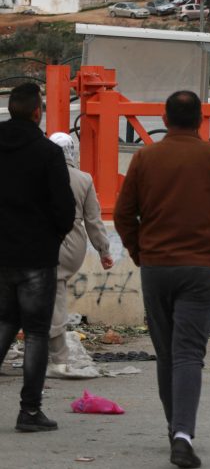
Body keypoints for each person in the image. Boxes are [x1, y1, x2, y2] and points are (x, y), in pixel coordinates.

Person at [114, 90, 210, 469]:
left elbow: (123, 214)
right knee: (188, 354)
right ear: (200, 120)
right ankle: (182, 435)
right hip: (201, 269)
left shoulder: (145, 157)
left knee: (167, 353)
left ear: (165, 119)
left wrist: (140, 252)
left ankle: (173, 427)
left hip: (157, 269)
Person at [0, 82, 75, 432]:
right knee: (35, 334)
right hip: (36, 255)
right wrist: (53, 236)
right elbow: (64, 208)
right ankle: (29, 412)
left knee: (3, 322)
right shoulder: (47, 153)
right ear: (37, 112)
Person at [46, 133, 113, 378]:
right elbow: (93, 220)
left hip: (40, 240)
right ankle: (58, 359)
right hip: (73, 242)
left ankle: (54, 357)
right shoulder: (83, 179)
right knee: (56, 292)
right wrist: (104, 251)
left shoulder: (39, 174)